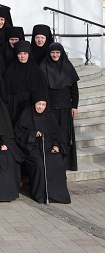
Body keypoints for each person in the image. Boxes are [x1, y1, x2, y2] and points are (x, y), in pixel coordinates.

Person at [14, 90, 71, 204]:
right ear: (34, 103)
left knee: (57, 161)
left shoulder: (49, 115)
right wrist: (32, 134)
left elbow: (57, 134)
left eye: (43, 104)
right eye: (38, 104)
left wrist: (56, 146)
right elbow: (18, 134)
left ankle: (57, 195)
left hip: (48, 148)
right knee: (40, 164)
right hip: (32, 149)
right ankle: (41, 195)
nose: (41, 107)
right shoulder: (26, 114)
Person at [40, 42, 79, 171]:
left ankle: (67, 163)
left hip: (65, 107)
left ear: (61, 53)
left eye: (57, 52)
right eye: (52, 52)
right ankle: (52, 162)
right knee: (51, 134)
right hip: (50, 106)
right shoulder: (43, 66)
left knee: (65, 134)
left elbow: (74, 89)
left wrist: (74, 106)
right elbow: (42, 89)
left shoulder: (68, 67)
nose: (55, 55)